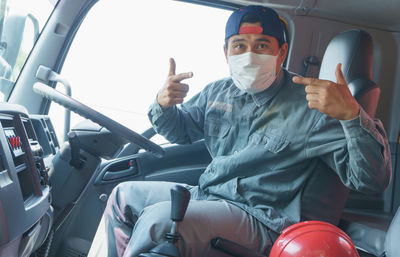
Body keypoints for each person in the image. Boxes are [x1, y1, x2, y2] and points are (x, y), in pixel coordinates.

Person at [88, 5, 392, 257]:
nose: (249, 55)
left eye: (261, 46)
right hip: (208, 195)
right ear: (226, 53)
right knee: (122, 195)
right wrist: (164, 105)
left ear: (281, 52)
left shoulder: (312, 105)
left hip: (262, 216)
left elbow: (372, 180)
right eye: (240, 46)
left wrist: (353, 115)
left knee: (159, 221)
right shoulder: (218, 92)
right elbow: (181, 132)